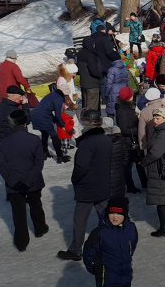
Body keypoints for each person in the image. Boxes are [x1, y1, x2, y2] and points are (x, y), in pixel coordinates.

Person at [57, 110, 114, 260]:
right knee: (106, 218)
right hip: (103, 184)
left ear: (85, 122)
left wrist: (75, 180)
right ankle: (111, 246)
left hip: (86, 187)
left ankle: (76, 250)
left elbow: (81, 167)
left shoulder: (86, 142)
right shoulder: (106, 140)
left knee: (80, 220)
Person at [0, 109, 48, 252]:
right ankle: (40, 228)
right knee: (36, 205)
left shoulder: (2, 142)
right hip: (33, 181)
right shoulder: (34, 139)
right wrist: (28, 181)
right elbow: (39, 163)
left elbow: (0, 165)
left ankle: (21, 242)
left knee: (18, 213)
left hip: (14, 184)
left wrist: (14, 182)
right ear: (25, 123)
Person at [82, 196, 138, 287]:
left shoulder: (131, 228)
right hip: (107, 281)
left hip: (126, 278)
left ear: (125, 214)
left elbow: (132, 246)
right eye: (112, 213)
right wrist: (98, 271)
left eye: (119, 213)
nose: (115, 217)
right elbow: (88, 254)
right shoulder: (100, 233)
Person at [140, 107, 165, 237]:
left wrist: (144, 161)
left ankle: (164, 228)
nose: (155, 121)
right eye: (154, 118)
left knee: (161, 199)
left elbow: (156, 153)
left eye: (158, 118)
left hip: (160, 169)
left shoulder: (163, 132)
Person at [31, 84, 74, 162]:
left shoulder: (53, 94)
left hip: (35, 114)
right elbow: (58, 114)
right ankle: (60, 157)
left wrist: (54, 119)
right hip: (42, 117)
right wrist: (63, 125)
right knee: (54, 136)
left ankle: (45, 152)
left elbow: (46, 107)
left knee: (45, 133)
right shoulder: (59, 99)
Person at [77, 36, 103, 112]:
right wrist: (100, 75)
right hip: (92, 84)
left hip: (84, 83)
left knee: (85, 105)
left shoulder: (80, 54)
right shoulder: (90, 56)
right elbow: (94, 71)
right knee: (92, 108)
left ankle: (84, 117)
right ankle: (91, 118)